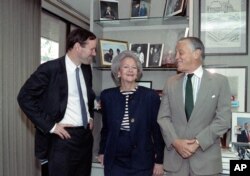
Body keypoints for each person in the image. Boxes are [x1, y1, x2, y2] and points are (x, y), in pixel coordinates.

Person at [17, 28, 97, 176]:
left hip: (85, 139)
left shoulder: (86, 69)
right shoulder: (49, 69)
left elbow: (87, 97)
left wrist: (90, 115)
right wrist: (51, 126)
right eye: (92, 49)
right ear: (78, 47)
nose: (95, 53)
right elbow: (24, 97)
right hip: (61, 140)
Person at [157, 37, 232, 175]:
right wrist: (176, 142)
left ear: (197, 53)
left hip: (206, 163)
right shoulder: (170, 83)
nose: (176, 57)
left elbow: (223, 120)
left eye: (180, 53)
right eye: (176, 53)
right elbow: (163, 117)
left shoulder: (220, 82)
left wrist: (198, 142)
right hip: (175, 163)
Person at [98, 50, 164, 176]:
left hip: (142, 159)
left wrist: (159, 160)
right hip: (115, 159)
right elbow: (106, 128)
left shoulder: (150, 96)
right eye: (126, 67)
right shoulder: (107, 96)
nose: (130, 70)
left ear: (138, 72)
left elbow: (157, 131)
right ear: (118, 72)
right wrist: (102, 151)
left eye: (134, 67)